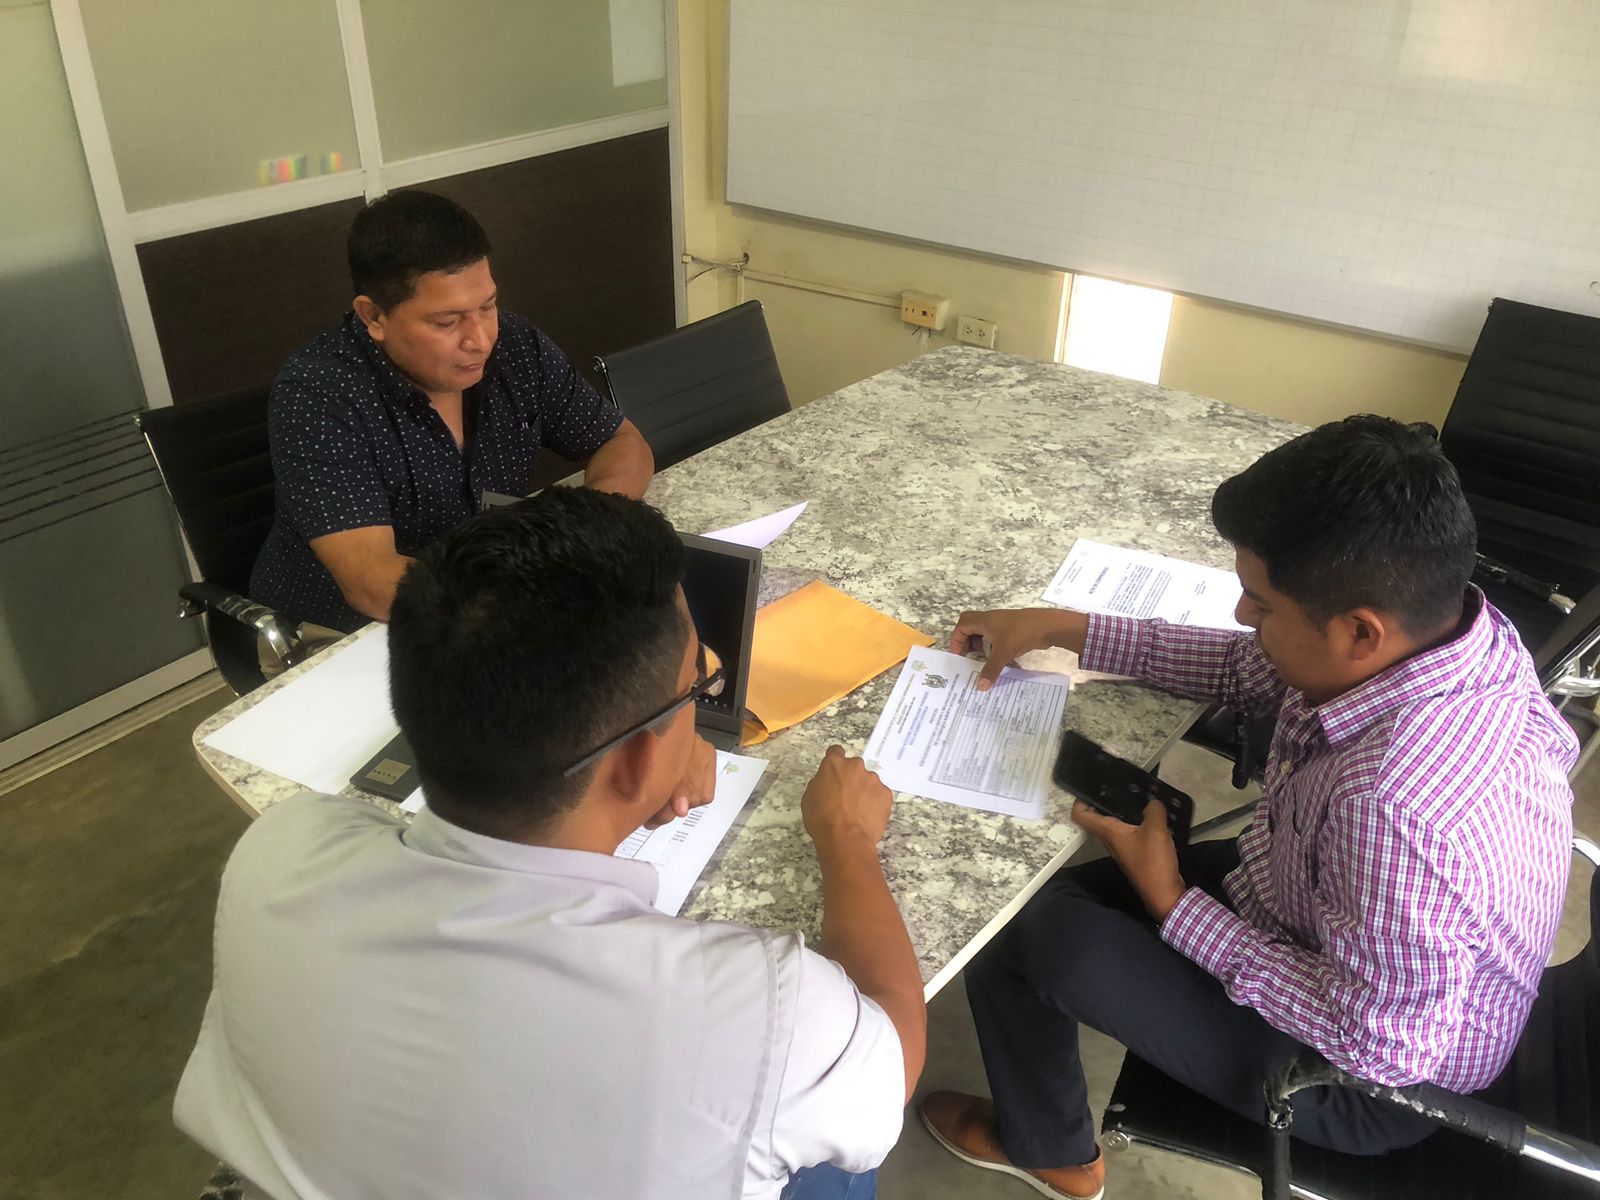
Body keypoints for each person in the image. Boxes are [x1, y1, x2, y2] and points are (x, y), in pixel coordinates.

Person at [177, 488, 925, 1200]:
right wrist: (847, 838)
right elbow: (891, 1063)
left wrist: (643, 764)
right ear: (637, 760)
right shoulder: (760, 1011)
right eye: (697, 686)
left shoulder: (282, 849)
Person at [922, 416, 1577, 1200]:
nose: (1241, 615)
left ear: (1359, 632)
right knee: (1034, 905)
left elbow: (1379, 1046)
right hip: (1312, 907)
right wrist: (1066, 629)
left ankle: (1052, 1151)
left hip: (1363, 1078)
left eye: (1261, 605)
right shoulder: (1452, 633)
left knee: (1022, 933)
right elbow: (1243, 667)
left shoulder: (1395, 809)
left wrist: (1171, 901)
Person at [249, 189, 654, 652]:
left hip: (486, 605)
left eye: (487, 306)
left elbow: (622, 442)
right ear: (374, 316)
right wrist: (523, 598)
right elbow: (371, 581)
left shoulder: (517, 347)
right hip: (346, 637)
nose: (480, 339)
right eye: (447, 322)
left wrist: (588, 532)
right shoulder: (320, 393)